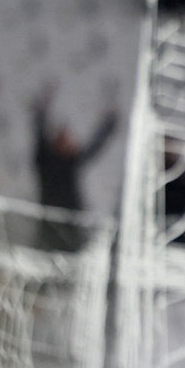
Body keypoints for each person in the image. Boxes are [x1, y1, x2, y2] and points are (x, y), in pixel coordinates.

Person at [31, 86, 118, 252]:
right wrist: (41, 110)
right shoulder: (45, 160)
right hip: (51, 222)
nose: (70, 142)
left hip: (71, 221)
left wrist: (109, 123)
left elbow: (94, 146)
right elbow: (39, 134)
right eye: (64, 138)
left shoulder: (71, 162)